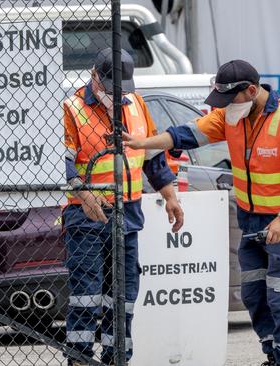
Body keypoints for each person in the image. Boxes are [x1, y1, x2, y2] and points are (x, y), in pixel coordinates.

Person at [123, 60, 280, 366]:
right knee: (254, 296)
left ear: (252, 91)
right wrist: (142, 143)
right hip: (252, 221)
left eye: (230, 100)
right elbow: (184, 134)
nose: (225, 107)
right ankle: (273, 355)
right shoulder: (231, 116)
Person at [63, 48, 184, 366]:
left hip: (128, 213)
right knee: (86, 294)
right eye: (109, 90)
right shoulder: (72, 108)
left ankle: (117, 357)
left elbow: (153, 156)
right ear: (94, 77)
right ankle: (80, 358)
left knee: (125, 293)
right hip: (86, 214)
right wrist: (85, 195)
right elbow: (61, 164)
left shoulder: (137, 104)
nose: (116, 97)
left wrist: (169, 194)